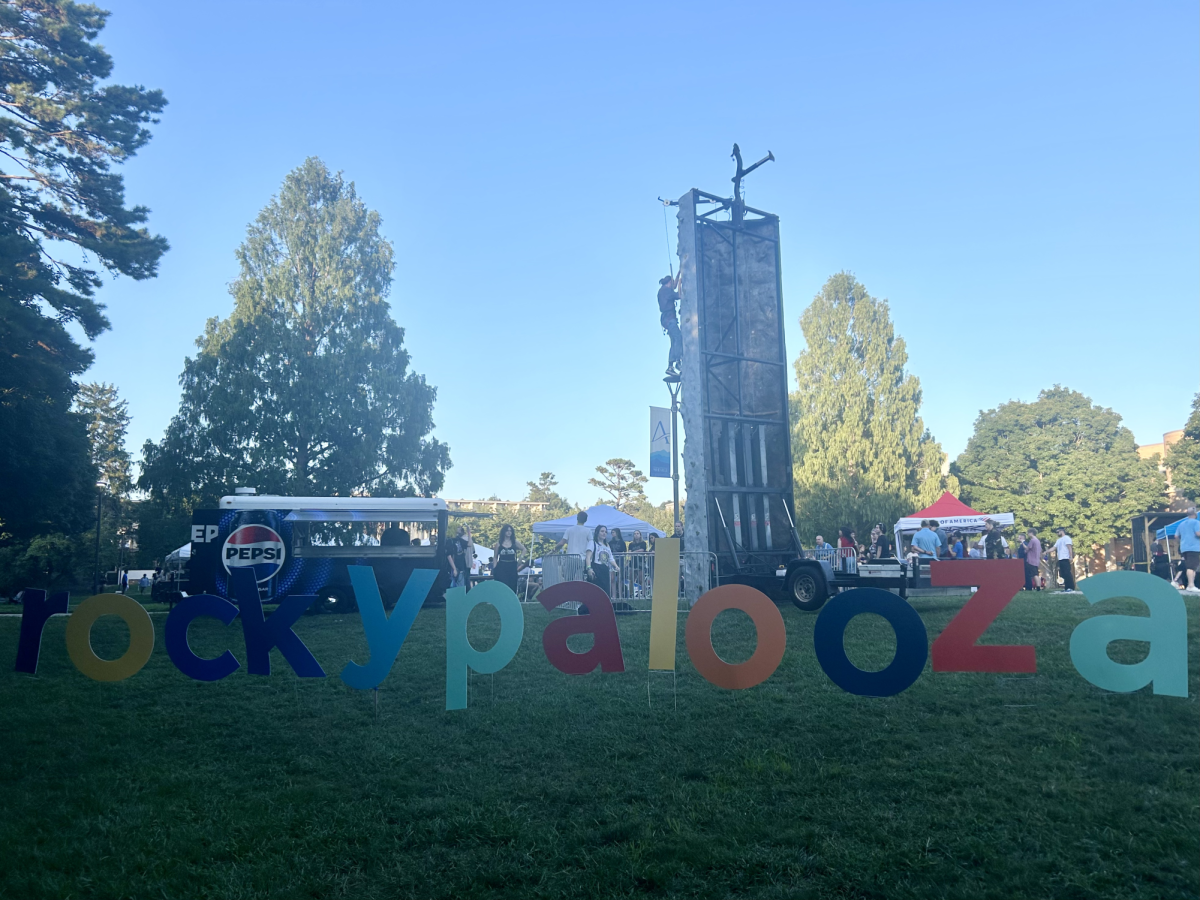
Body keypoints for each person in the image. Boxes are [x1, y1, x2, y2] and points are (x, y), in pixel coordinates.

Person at [658, 273, 683, 377]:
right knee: (679, 337)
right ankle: (678, 362)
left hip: (666, 320)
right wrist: (681, 283)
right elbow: (679, 295)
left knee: (673, 342)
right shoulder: (666, 291)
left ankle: (670, 366)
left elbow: (674, 285)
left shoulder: (663, 291)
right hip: (670, 319)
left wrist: (678, 273)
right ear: (669, 283)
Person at [490, 524, 526, 593]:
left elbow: (524, 549)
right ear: (504, 532)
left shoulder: (514, 542)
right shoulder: (499, 544)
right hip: (502, 566)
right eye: (507, 531)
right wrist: (495, 567)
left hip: (512, 566)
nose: (509, 532)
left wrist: (520, 559)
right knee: (502, 584)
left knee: (512, 584)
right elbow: (495, 556)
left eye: (510, 531)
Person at [585, 524, 618, 596]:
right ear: (597, 532)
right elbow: (588, 557)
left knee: (605, 591)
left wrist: (616, 566)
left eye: (606, 532)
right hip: (596, 568)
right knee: (596, 592)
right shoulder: (592, 542)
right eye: (602, 531)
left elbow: (610, 558)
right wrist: (589, 568)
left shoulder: (607, 545)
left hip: (605, 569)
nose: (604, 533)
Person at [1174, 507, 1200, 593]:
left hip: (1184, 548)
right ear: (1195, 514)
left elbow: (1176, 536)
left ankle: (1191, 584)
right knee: (1191, 567)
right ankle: (1191, 585)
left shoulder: (1181, 524)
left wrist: (1181, 542)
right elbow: (1198, 533)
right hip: (1194, 548)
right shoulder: (1196, 522)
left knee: (1191, 566)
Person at [1053, 527, 1076, 592]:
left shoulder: (1067, 538)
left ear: (1062, 531)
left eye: (1058, 532)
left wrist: (1071, 556)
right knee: (1063, 574)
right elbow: (1054, 548)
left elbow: (1069, 547)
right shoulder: (1058, 540)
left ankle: (1071, 587)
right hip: (1060, 558)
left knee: (1067, 572)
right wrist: (1046, 552)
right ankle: (1066, 587)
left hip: (1066, 557)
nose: (1057, 533)